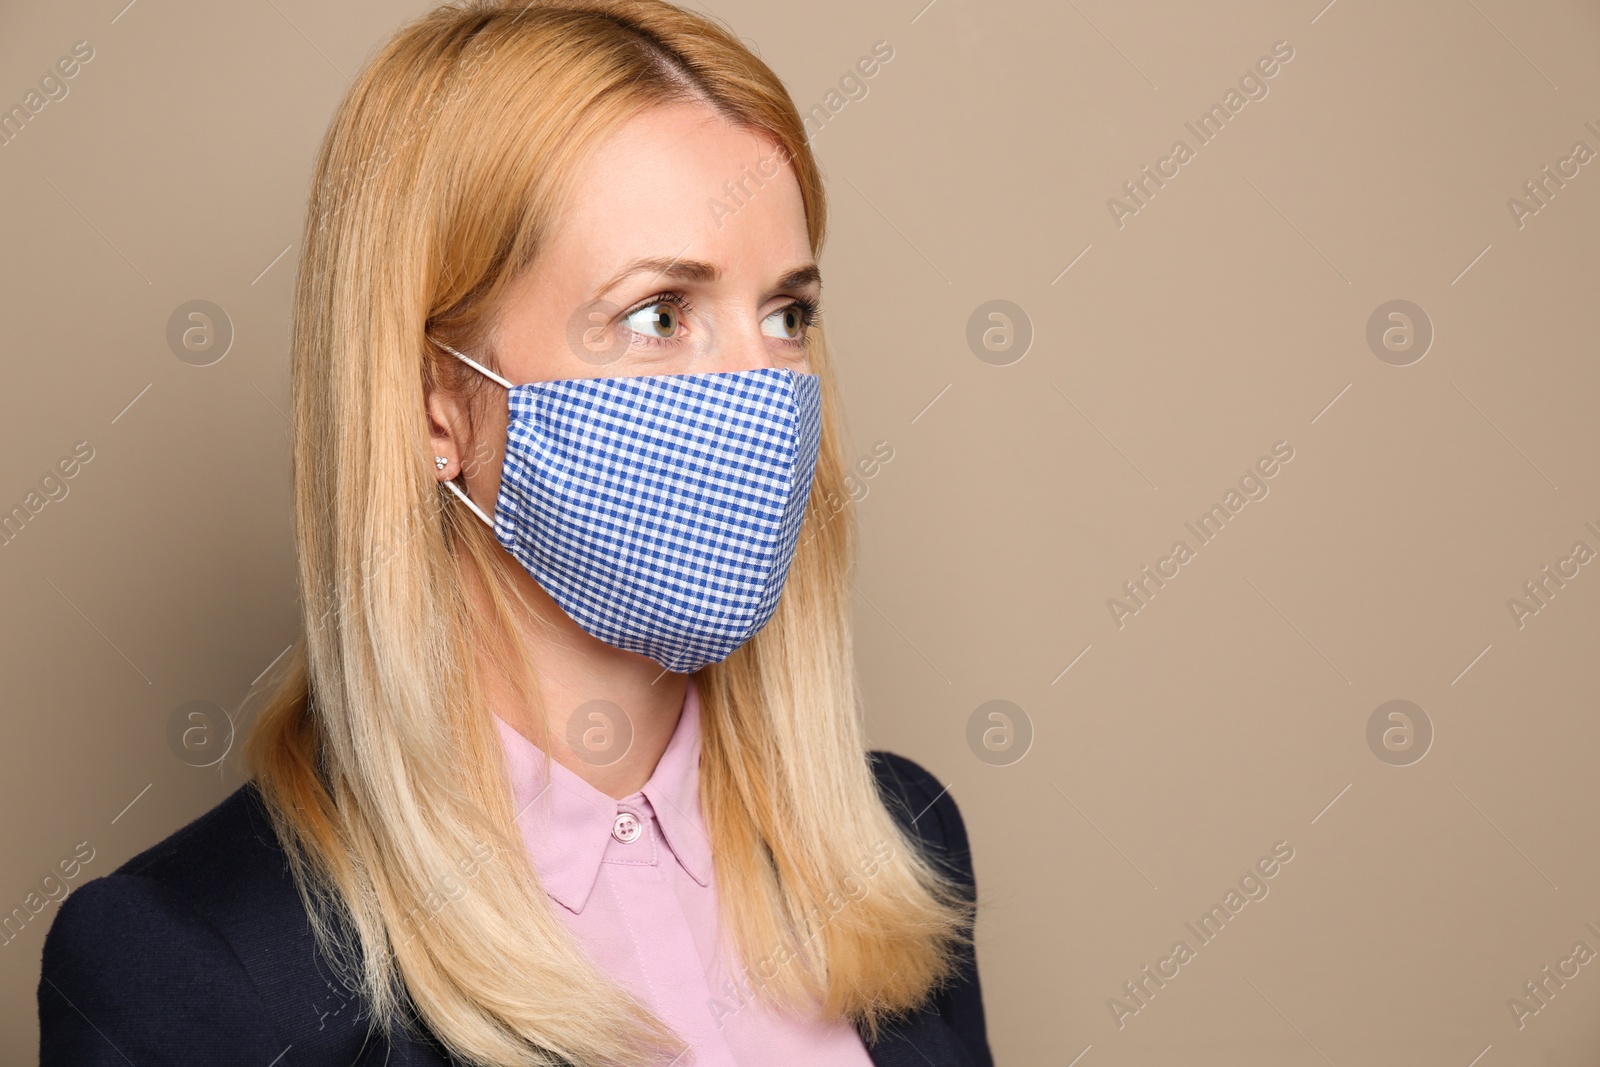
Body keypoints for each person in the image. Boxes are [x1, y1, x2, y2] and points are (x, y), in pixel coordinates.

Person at [37, 2, 992, 1064]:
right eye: (661, 314)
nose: (760, 393)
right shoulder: (198, 965)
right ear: (438, 403)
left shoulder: (901, 842)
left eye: (786, 315)